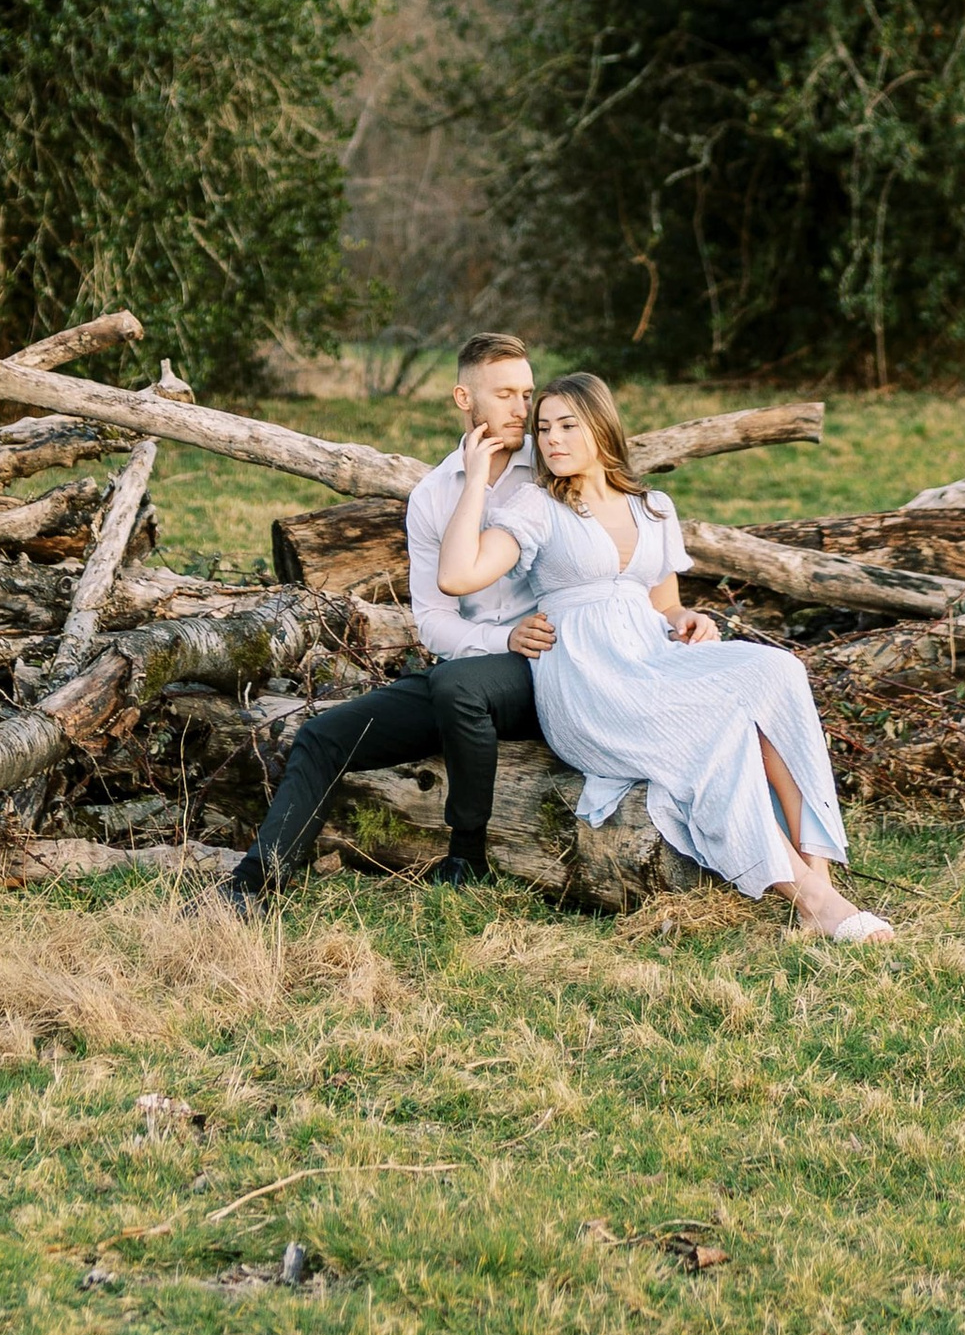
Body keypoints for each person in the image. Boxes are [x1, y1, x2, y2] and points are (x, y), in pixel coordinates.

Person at [437, 369, 891, 943]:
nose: (551, 440)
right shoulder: (536, 506)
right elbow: (456, 576)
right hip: (590, 682)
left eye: (567, 426)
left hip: (653, 657)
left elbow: (666, 604)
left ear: (601, 428)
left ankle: (816, 886)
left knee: (779, 670)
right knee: (723, 724)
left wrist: (686, 619)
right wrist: (476, 477)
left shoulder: (653, 507)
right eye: (543, 427)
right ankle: (817, 901)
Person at [212, 332, 554, 911]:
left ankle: (465, 859)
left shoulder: (552, 471)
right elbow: (435, 624)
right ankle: (254, 886)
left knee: (454, 685)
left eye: (527, 393)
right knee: (322, 736)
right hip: (465, 671)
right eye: (506, 394)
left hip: (542, 671)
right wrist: (500, 638)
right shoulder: (432, 496)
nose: (524, 408)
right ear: (463, 399)